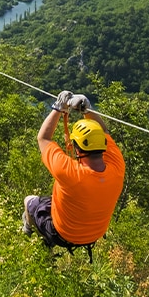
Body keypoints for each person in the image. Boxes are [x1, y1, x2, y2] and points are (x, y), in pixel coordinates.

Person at [22, 90, 125, 252]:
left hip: (62, 234)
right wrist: (87, 110)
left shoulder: (69, 172)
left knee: (29, 201)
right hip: (94, 234)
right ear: (103, 144)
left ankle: (31, 231)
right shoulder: (117, 166)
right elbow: (104, 132)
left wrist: (58, 107)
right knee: (56, 199)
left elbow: (43, 138)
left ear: (76, 148)